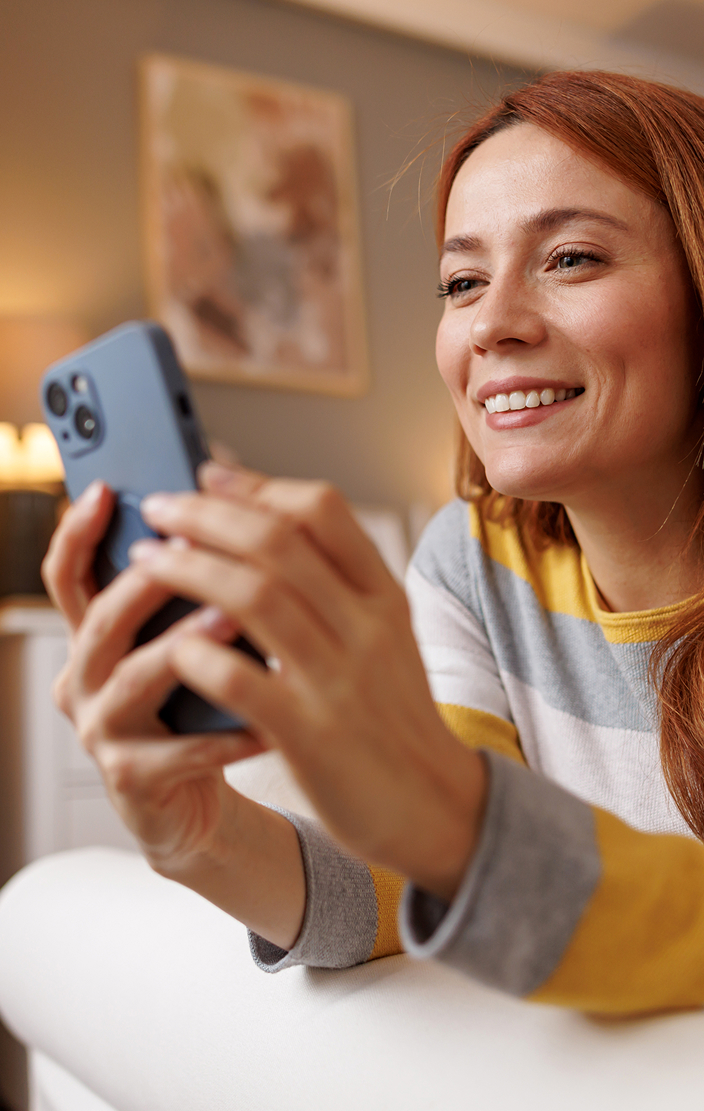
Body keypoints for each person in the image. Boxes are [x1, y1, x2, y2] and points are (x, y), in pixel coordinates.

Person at [43, 69, 704, 1016]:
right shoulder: (473, 562)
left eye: (570, 259)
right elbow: (415, 876)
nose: (492, 325)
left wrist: (446, 813)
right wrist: (204, 836)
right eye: (462, 281)